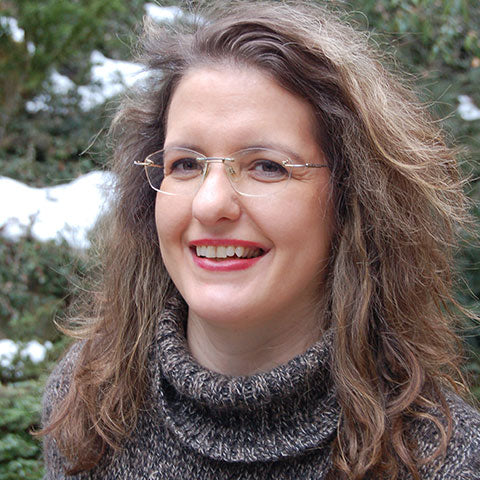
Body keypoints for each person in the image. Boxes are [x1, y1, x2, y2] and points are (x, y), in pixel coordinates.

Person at [41, 1, 480, 479]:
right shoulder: (88, 404)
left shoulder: (444, 461)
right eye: (185, 164)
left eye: (266, 167)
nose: (209, 204)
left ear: (354, 200)